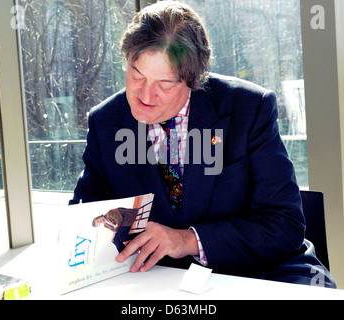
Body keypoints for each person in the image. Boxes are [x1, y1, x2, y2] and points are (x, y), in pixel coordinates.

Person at [70, 1, 336, 287]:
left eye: (165, 83)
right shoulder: (105, 120)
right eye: (137, 75)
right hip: (161, 278)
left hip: (265, 269)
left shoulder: (248, 108)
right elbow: (83, 217)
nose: (145, 95)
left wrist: (187, 239)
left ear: (193, 80)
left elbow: (284, 226)